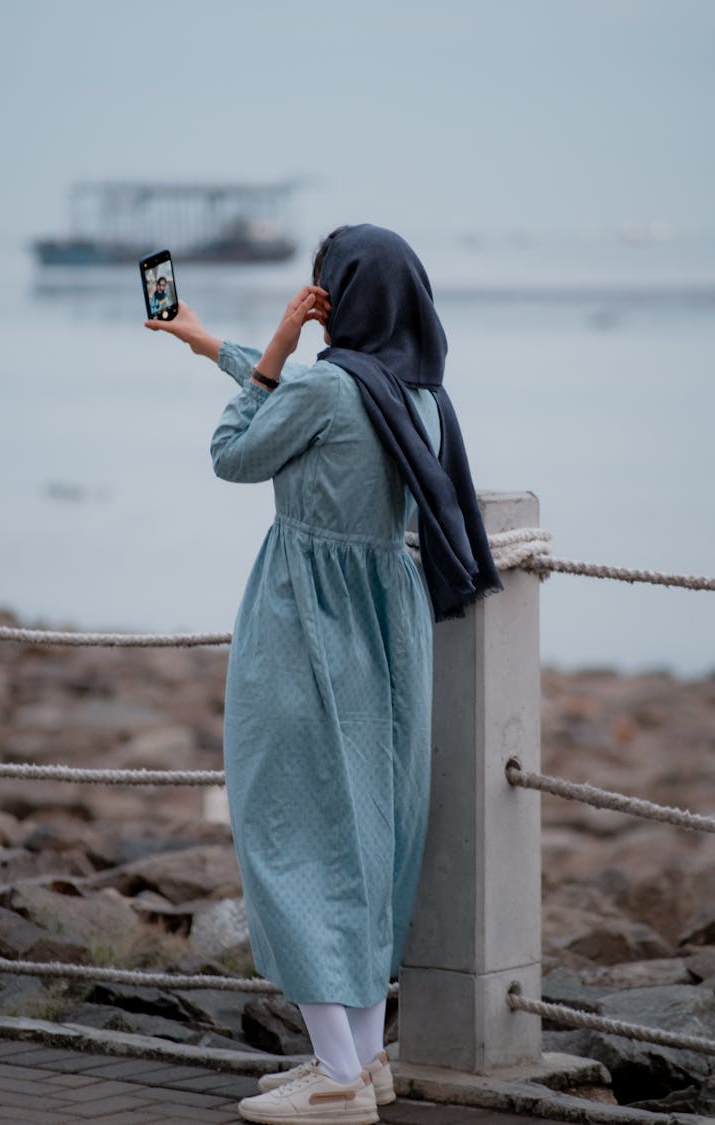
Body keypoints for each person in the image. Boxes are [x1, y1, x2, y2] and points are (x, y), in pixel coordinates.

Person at [145, 224, 502, 1125]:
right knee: (370, 830)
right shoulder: (417, 397)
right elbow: (309, 408)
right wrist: (202, 339)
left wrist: (270, 344)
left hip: (308, 622)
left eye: (323, 286)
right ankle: (362, 1056)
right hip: (391, 627)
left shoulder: (323, 384)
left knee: (291, 828)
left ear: (339, 299)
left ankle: (338, 1079)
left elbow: (237, 451)